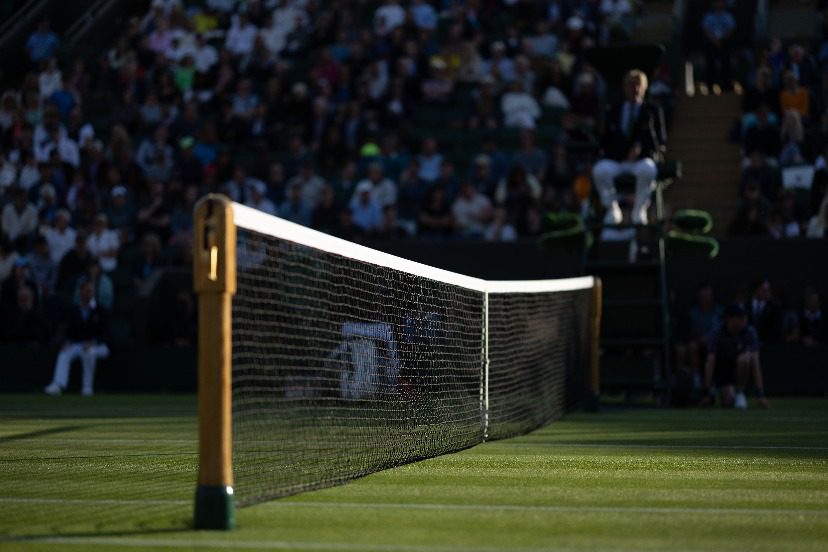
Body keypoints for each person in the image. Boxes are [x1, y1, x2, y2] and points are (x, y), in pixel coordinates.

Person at [592, 69, 665, 225]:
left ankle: (639, 210)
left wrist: (641, 146)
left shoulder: (652, 111)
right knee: (599, 170)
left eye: (639, 85)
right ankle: (612, 209)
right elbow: (605, 140)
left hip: (640, 160)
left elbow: (660, 139)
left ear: (645, 88)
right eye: (631, 85)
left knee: (648, 169)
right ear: (624, 88)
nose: (635, 89)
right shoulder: (613, 110)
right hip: (617, 160)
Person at [44, 278, 110, 396]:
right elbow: (70, 331)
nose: (88, 293)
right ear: (80, 292)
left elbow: (106, 334)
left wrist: (93, 342)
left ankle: (87, 388)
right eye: (86, 291)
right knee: (64, 352)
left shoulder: (101, 311)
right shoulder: (73, 310)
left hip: (99, 346)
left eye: (90, 291)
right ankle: (58, 384)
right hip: (79, 345)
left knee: (89, 352)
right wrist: (68, 341)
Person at [702, 304, 768, 410]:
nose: (744, 320)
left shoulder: (750, 332)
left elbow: (756, 363)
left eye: (745, 317)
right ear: (730, 319)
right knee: (728, 402)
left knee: (746, 359)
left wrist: (760, 395)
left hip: (740, 370)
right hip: (722, 371)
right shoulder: (717, 332)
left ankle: (739, 392)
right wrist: (706, 391)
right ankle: (717, 391)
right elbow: (710, 361)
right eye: (741, 318)